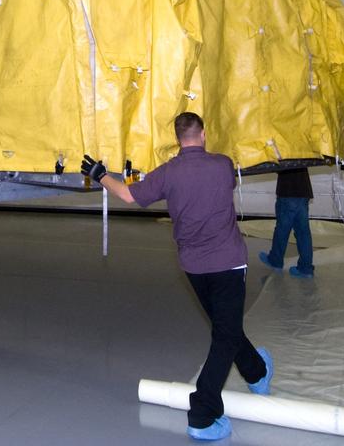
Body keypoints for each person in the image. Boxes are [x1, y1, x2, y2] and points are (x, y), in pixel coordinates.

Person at [83, 112, 273, 441]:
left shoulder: (168, 173)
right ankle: (202, 414)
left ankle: (256, 372)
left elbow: (128, 195)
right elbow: (225, 185)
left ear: (177, 139)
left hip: (194, 267)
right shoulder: (223, 165)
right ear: (204, 134)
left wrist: (100, 175)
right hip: (228, 263)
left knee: (226, 327)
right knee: (226, 336)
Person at [259, 167, 314, 278]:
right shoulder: (302, 154)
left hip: (288, 192)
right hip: (304, 192)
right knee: (303, 233)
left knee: (282, 230)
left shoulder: (286, 154)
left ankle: (275, 260)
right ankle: (306, 268)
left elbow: (279, 166)